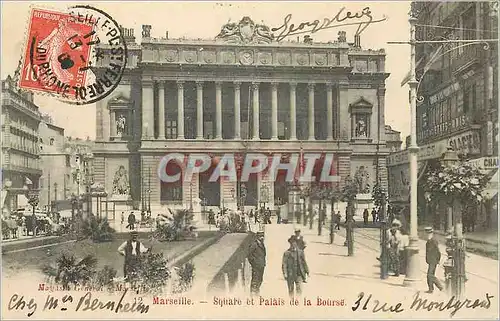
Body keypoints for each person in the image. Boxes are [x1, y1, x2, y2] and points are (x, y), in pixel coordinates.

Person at [282, 235, 309, 299]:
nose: (293, 244)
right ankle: (292, 302)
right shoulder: (287, 253)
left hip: (298, 273)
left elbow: (304, 262)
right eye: (291, 243)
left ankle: (297, 301)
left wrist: (307, 271)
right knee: (291, 290)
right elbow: (284, 264)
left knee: (299, 289)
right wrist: (285, 273)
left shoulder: (300, 252)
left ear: (296, 243)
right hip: (290, 274)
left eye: (294, 242)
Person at [247, 231, 266, 297]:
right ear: (257, 236)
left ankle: (257, 293)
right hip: (256, 266)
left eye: (263, 236)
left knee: (260, 280)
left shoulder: (261, 244)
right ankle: (252, 295)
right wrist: (254, 264)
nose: (262, 237)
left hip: (261, 265)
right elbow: (249, 255)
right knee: (255, 280)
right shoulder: (254, 244)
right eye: (260, 236)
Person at [425, 227, 443, 293]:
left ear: (431, 233)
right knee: (430, 274)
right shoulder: (429, 240)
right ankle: (431, 289)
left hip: (433, 260)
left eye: (429, 233)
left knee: (430, 275)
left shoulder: (433, 241)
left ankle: (440, 287)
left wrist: (438, 260)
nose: (427, 235)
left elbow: (438, 251)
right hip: (430, 260)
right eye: (427, 233)